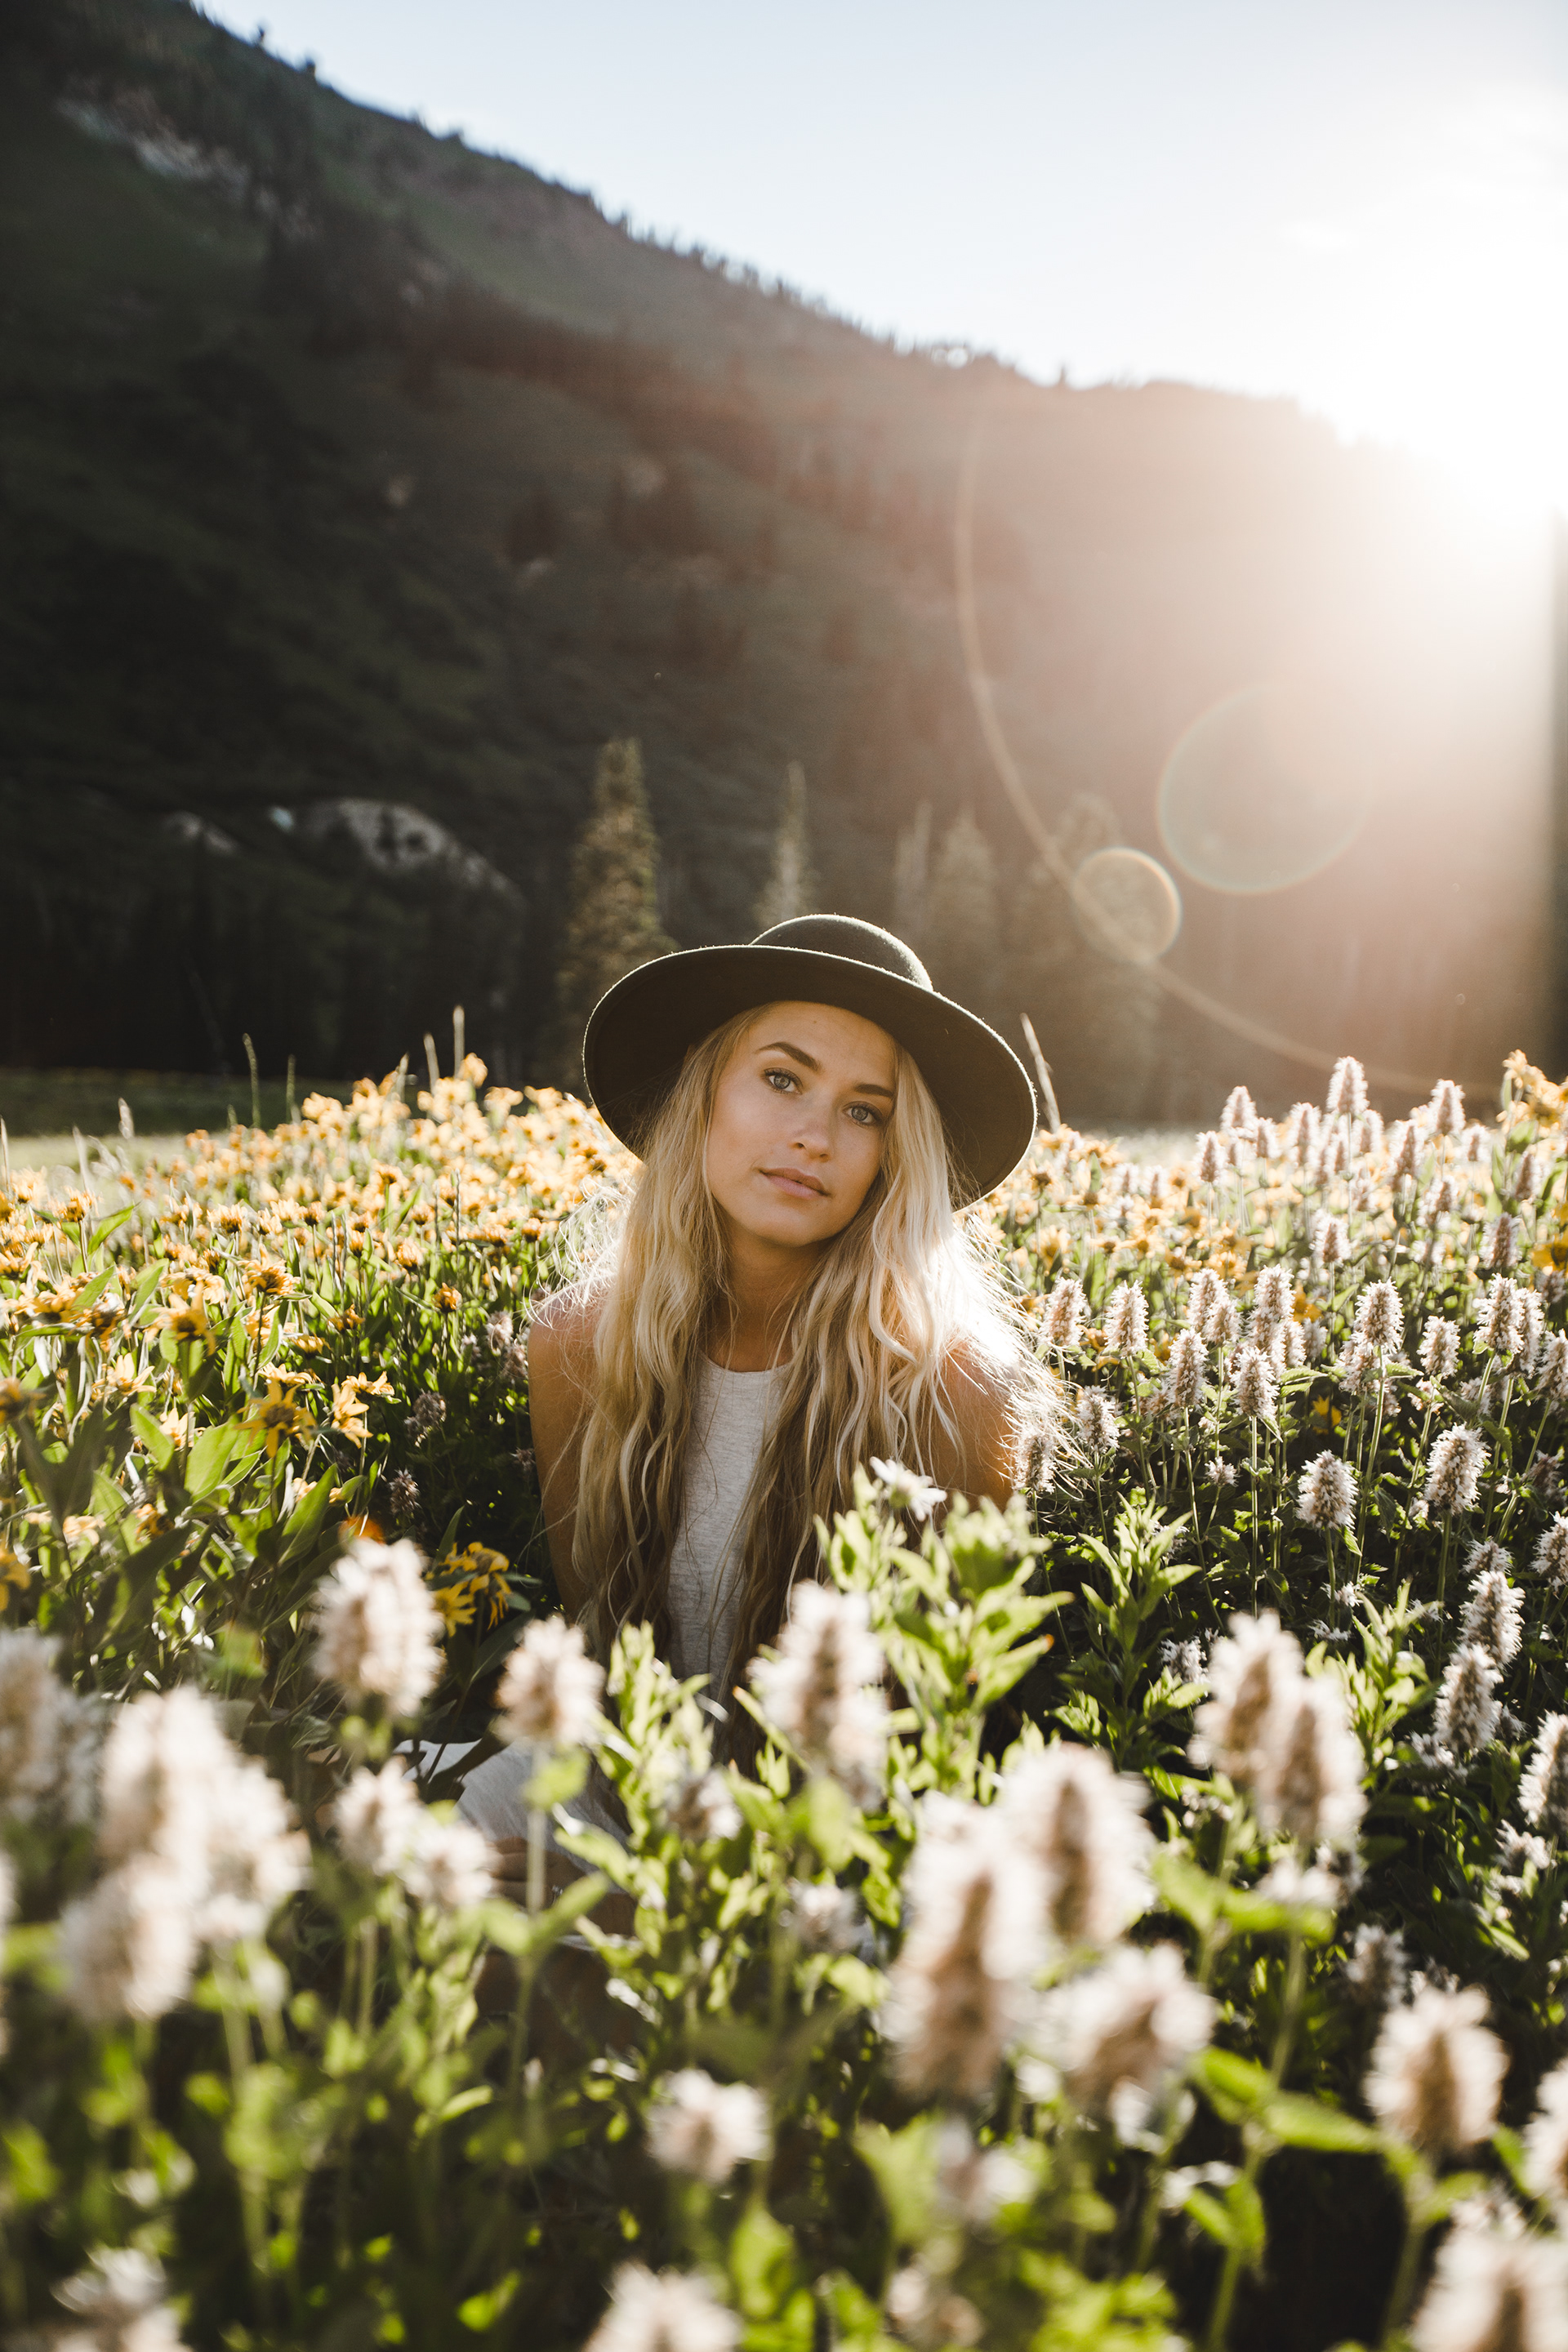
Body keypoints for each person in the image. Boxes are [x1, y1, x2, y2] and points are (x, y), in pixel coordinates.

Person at [458, 913, 1054, 1898]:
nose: (815, 1138)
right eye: (782, 1080)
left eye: (866, 1112)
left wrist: (646, 1906)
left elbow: (927, 1755)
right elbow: (605, 1670)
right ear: (703, 1095)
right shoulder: (577, 1346)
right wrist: (609, 1866)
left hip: (830, 1876)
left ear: (892, 1158)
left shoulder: (955, 1392)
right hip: (618, 1804)